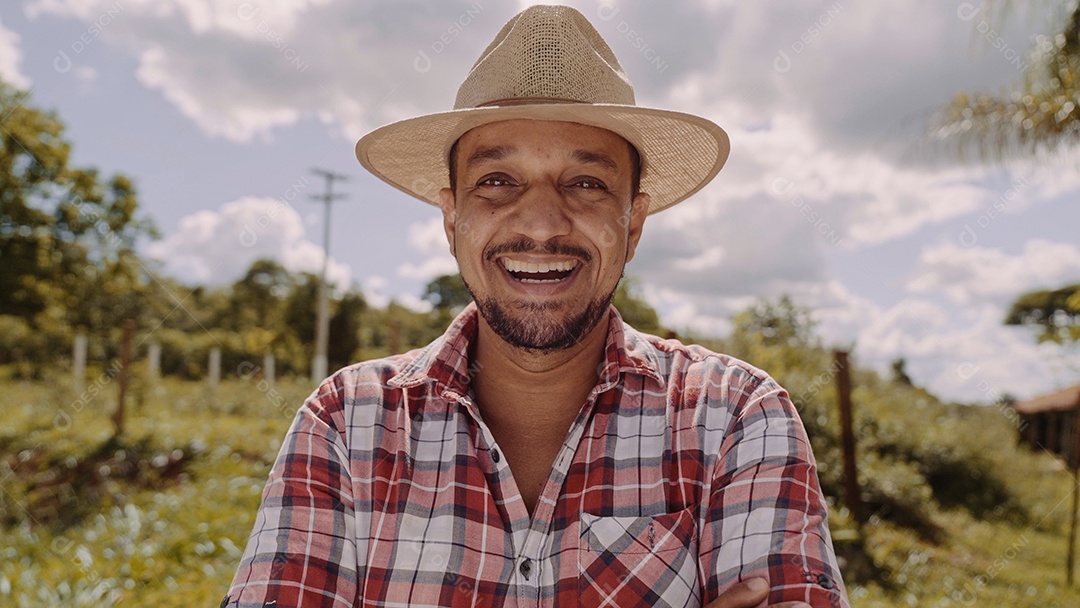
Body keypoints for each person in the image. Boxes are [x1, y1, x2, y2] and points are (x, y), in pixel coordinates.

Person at [223, 5, 849, 607]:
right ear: (452, 219)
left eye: (587, 183)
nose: (544, 224)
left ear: (633, 225)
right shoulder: (346, 424)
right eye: (498, 182)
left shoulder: (735, 419)